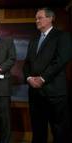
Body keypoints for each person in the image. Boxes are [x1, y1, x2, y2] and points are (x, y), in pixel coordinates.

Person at [23, 7, 72, 143]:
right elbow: (26, 64)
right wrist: (29, 79)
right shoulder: (33, 41)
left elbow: (61, 59)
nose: (37, 21)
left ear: (50, 19)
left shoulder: (62, 36)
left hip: (54, 93)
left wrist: (42, 78)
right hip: (35, 94)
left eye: (40, 18)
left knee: (60, 132)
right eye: (36, 19)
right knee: (38, 133)